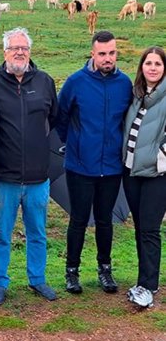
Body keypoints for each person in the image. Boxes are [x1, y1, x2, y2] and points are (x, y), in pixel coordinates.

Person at [0, 27, 58, 305]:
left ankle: (37, 279)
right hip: (4, 176)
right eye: (14, 48)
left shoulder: (45, 81)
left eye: (24, 48)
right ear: (4, 52)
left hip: (39, 177)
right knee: (0, 233)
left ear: (30, 52)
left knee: (37, 232)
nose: (19, 52)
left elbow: (56, 119)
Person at [56, 31, 133, 295]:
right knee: (78, 220)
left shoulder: (125, 84)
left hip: (112, 166)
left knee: (104, 220)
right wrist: (75, 143)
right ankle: (72, 272)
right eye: (102, 54)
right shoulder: (76, 82)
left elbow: (127, 119)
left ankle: (105, 269)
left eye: (112, 53)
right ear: (93, 54)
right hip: (79, 166)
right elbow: (61, 116)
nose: (107, 58)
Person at [121, 46, 166, 308]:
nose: (152, 68)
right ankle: (144, 280)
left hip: (156, 174)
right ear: (142, 67)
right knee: (140, 228)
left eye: (158, 64)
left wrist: (160, 156)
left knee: (149, 229)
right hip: (131, 172)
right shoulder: (137, 95)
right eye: (148, 63)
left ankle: (149, 286)